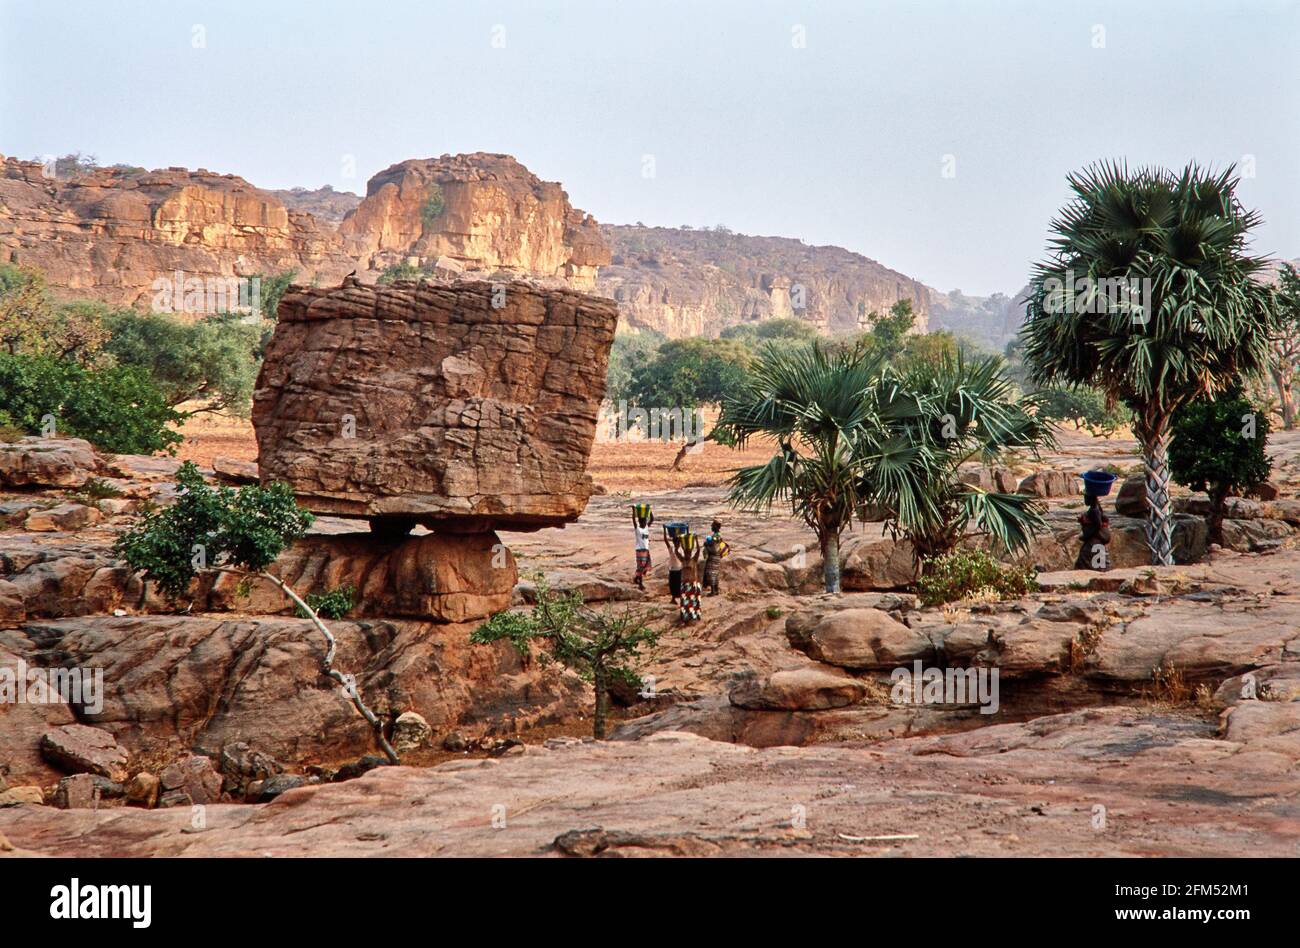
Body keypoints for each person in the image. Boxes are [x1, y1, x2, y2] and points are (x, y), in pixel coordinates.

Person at [1074, 489, 1111, 570]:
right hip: (1096, 544)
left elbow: (1097, 525)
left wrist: (1086, 535)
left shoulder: (1094, 511)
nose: (1085, 500)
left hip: (1094, 544)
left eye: (1086, 497)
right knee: (1099, 567)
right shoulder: (1096, 509)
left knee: (1090, 567)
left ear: (1090, 498)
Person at [678, 531, 703, 623]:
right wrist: (680, 542)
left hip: (693, 584)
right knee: (685, 604)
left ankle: (694, 618)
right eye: (686, 552)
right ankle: (685, 618)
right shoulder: (682, 559)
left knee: (694, 603)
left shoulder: (694, 559)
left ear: (690, 553)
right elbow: (676, 552)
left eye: (688, 552)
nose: (687, 554)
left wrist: (696, 540)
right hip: (685, 585)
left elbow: (698, 550)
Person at [702, 519, 727, 596]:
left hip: (713, 556)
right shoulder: (718, 536)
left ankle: (713, 591)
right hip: (717, 557)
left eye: (712, 525)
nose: (711, 526)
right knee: (715, 573)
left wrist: (706, 545)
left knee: (711, 573)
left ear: (716, 527)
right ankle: (716, 590)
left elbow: (714, 549)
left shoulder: (715, 537)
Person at [631, 505, 653, 589]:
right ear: (640, 522)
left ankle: (637, 578)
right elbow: (633, 520)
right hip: (640, 550)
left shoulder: (646, 527)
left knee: (646, 567)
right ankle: (640, 584)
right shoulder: (638, 529)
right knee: (640, 567)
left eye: (645, 521)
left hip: (646, 550)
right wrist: (633, 511)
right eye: (642, 521)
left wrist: (650, 510)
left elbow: (652, 519)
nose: (644, 523)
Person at [663, 526, 683, 603]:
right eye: (676, 543)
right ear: (674, 543)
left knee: (679, 585)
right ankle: (673, 599)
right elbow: (665, 540)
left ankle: (679, 598)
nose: (677, 544)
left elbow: (686, 538)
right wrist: (664, 529)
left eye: (678, 543)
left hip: (679, 569)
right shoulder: (671, 549)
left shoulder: (681, 550)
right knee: (673, 585)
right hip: (673, 569)